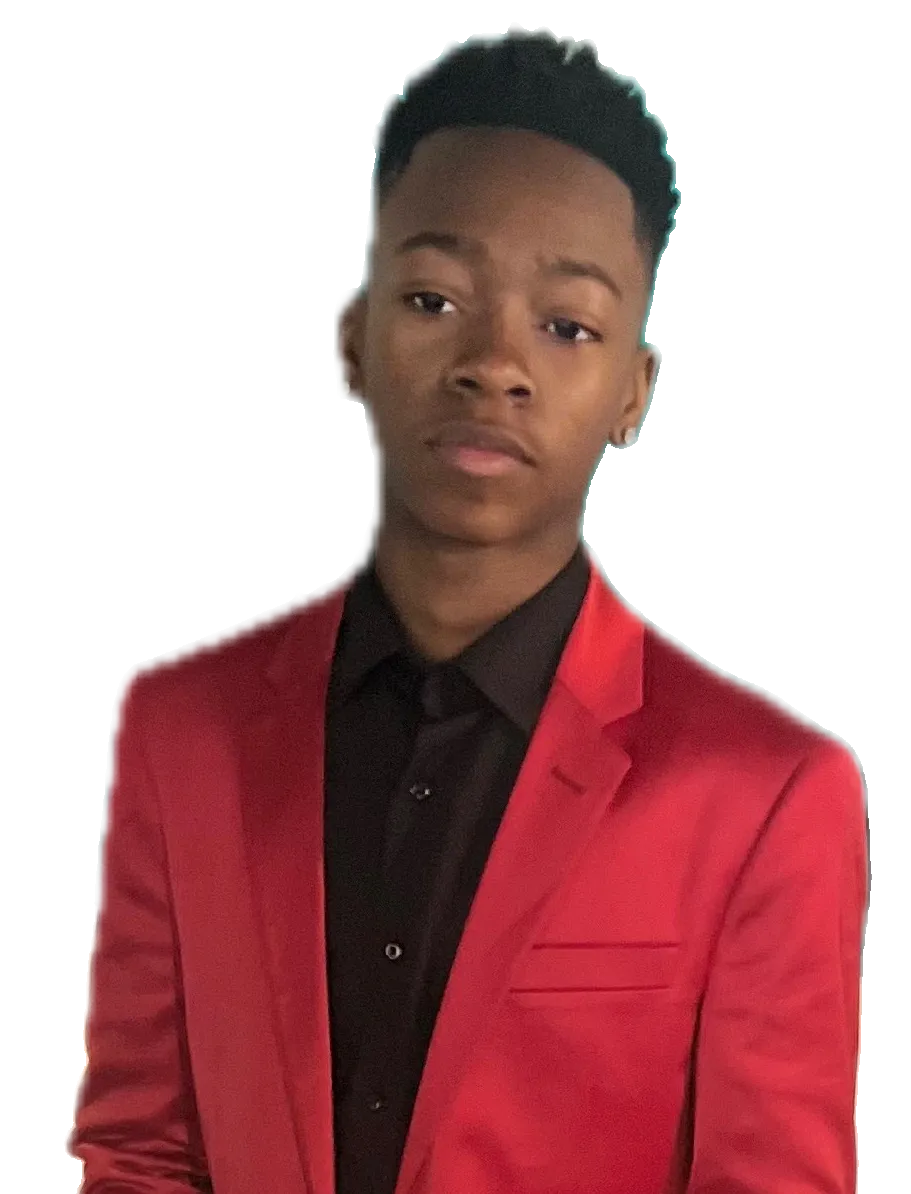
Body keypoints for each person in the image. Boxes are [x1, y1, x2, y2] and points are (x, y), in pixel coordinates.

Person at [66, 24, 867, 1194]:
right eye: (434, 297)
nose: (493, 364)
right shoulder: (179, 727)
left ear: (633, 390)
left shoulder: (762, 794)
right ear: (350, 337)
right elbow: (141, 1150)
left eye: (565, 324)